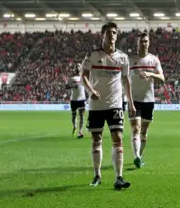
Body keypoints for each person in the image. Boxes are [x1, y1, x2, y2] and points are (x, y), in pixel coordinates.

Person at [81, 22, 136, 190]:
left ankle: (119, 177)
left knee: (118, 138)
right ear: (102, 35)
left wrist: (131, 103)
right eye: (109, 32)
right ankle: (97, 175)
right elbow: (83, 76)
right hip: (96, 105)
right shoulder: (92, 55)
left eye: (114, 32)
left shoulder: (123, 58)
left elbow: (126, 81)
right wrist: (90, 91)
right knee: (96, 140)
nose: (112, 35)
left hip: (115, 104)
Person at [128, 32, 164, 168]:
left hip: (149, 100)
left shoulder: (154, 60)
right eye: (141, 41)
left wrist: (149, 73)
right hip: (134, 99)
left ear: (149, 43)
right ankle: (136, 156)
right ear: (137, 43)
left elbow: (162, 78)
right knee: (135, 129)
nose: (144, 43)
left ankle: (140, 155)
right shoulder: (130, 60)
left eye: (146, 41)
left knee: (143, 131)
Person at [66, 64, 86, 138]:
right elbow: (66, 86)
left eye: (79, 67)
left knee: (81, 116)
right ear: (75, 69)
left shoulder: (84, 77)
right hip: (73, 99)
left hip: (82, 99)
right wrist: (72, 86)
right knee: (74, 115)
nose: (78, 68)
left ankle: (80, 132)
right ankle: (74, 126)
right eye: (76, 67)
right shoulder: (71, 78)